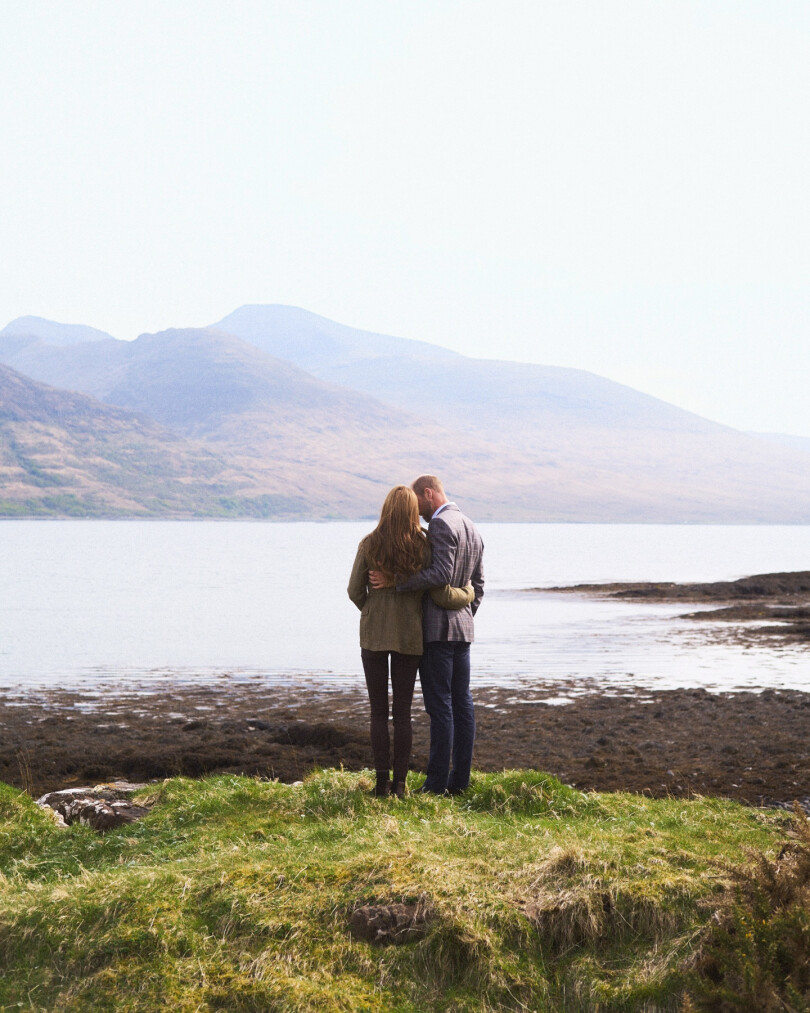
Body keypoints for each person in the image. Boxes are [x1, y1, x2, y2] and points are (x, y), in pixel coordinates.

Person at [347, 485, 474, 798]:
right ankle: (400, 786)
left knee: (378, 712)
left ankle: (380, 785)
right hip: (409, 637)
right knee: (402, 713)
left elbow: (354, 591)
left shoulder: (369, 542)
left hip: (373, 636)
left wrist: (373, 610)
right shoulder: (423, 544)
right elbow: (438, 588)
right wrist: (469, 593)